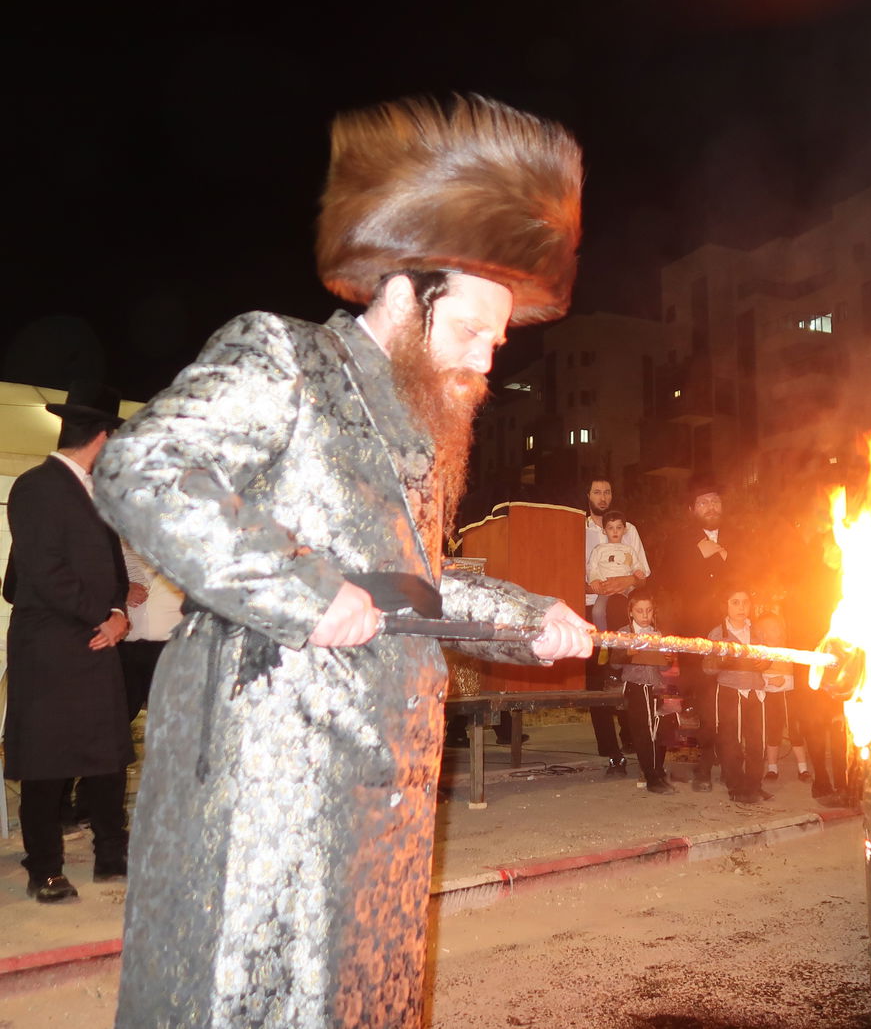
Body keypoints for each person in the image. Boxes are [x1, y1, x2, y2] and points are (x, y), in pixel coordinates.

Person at [91, 93, 593, 1028]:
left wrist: (532, 618)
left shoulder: (415, 438)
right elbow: (140, 466)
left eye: (499, 340)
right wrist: (303, 591)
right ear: (408, 292)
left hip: (383, 806)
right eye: (474, 331)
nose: (488, 360)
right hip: (266, 788)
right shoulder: (281, 356)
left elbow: (417, 588)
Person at [3, 383, 133, 903]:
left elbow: (116, 569)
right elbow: (44, 571)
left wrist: (120, 612)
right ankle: (45, 866)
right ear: (103, 439)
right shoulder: (37, 486)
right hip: (53, 646)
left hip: (99, 638)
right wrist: (100, 615)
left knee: (106, 754)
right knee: (47, 760)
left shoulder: (94, 493)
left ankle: (111, 854)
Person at [658, 476, 738, 791]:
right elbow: (667, 578)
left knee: (730, 700)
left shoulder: (738, 538)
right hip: (696, 633)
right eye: (703, 502)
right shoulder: (679, 540)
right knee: (704, 702)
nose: (710, 506)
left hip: (732, 631)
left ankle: (732, 768)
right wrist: (698, 556)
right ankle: (703, 767)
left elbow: (752, 572)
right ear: (692, 509)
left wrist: (723, 556)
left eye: (715, 500)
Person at [581, 477, 648, 775]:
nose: (603, 496)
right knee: (597, 681)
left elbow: (642, 575)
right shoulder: (578, 529)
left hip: (622, 607)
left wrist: (625, 582)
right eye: (597, 491)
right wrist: (596, 583)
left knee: (628, 672)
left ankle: (633, 737)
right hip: (591, 608)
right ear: (588, 495)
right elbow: (574, 571)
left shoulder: (628, 528)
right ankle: (610, 750)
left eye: (607, 491)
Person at [704, 586, 772, 804]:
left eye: (745, 602)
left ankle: (754, 784)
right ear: (725, 606)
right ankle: (735, 785)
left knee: (756, 742)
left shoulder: (758, 632)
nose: (742, 607)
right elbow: (708, 668)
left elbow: (767, 657)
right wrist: (723, 661)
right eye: (735, 602)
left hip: (756, 692)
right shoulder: (718, 634)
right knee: (731, 742)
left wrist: (766, 662)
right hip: (730, 692)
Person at [615, 591, 679, 794]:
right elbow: (614, 663)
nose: (644, 615)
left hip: (656, 688)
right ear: (631, 612)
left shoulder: (658, 634)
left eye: (648, 610)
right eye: (639, 611)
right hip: (636, 686)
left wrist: (667, 659)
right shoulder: (624, 633)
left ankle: (658, 770)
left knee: (660, 730)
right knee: (643, 732)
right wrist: (628, 653)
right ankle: (651, 776)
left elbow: (661, 668)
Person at [119, 539, 184, 721]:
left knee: (172, 720)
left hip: (172, 643)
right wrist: (121, 589)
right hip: (124, 641)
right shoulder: (112, 534)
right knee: (115, 719)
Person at [753, 599, 812, 784]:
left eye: (778, 627)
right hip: (771, 696)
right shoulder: (760, 653)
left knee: (795, 732)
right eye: (771, 629)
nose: (776, 632)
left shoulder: (788, 650)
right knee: (773, 732)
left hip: (789, 696)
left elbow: (798, 674)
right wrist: (769, 680)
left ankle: (803, 768)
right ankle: (772, 768)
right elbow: (754, 676)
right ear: (761, 633)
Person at [586, 509, 648, 629]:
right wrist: (594, 580)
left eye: (619, 527)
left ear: (624, 530)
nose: (615, 531)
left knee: (638, 607)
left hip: (626, 587)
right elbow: (592, 567)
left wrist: (638, 571)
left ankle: (635, 634)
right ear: (604, 531)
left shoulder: (629, 549)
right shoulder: (599, 549)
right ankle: (604, 640)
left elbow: (636, 564)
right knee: (597, 612)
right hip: (606, 587)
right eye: (610, 528)